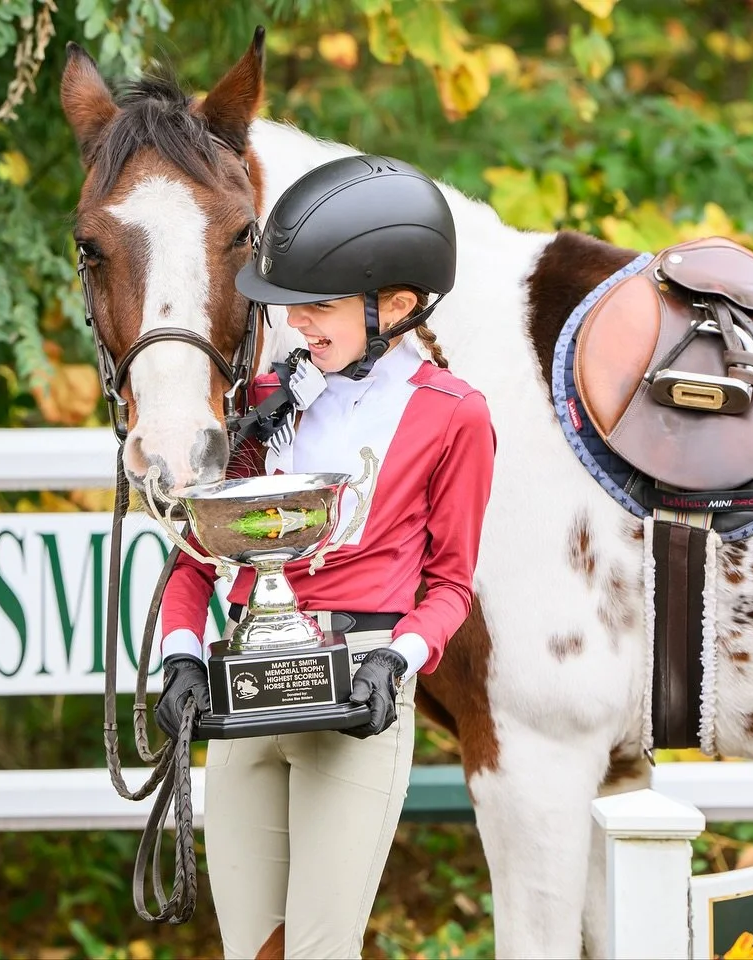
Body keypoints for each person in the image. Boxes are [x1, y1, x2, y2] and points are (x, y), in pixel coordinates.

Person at [153, 155, 496, 959]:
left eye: (318, 307)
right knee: (249, 950)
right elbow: (199, 559)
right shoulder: (263, 402)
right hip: (245, 694)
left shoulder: (456, 417)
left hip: (358, 695)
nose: (297, 324)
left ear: (398, 305)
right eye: (291, 308)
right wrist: (180, 659)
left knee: (317, 951)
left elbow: (449, 584)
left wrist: (398, 662)